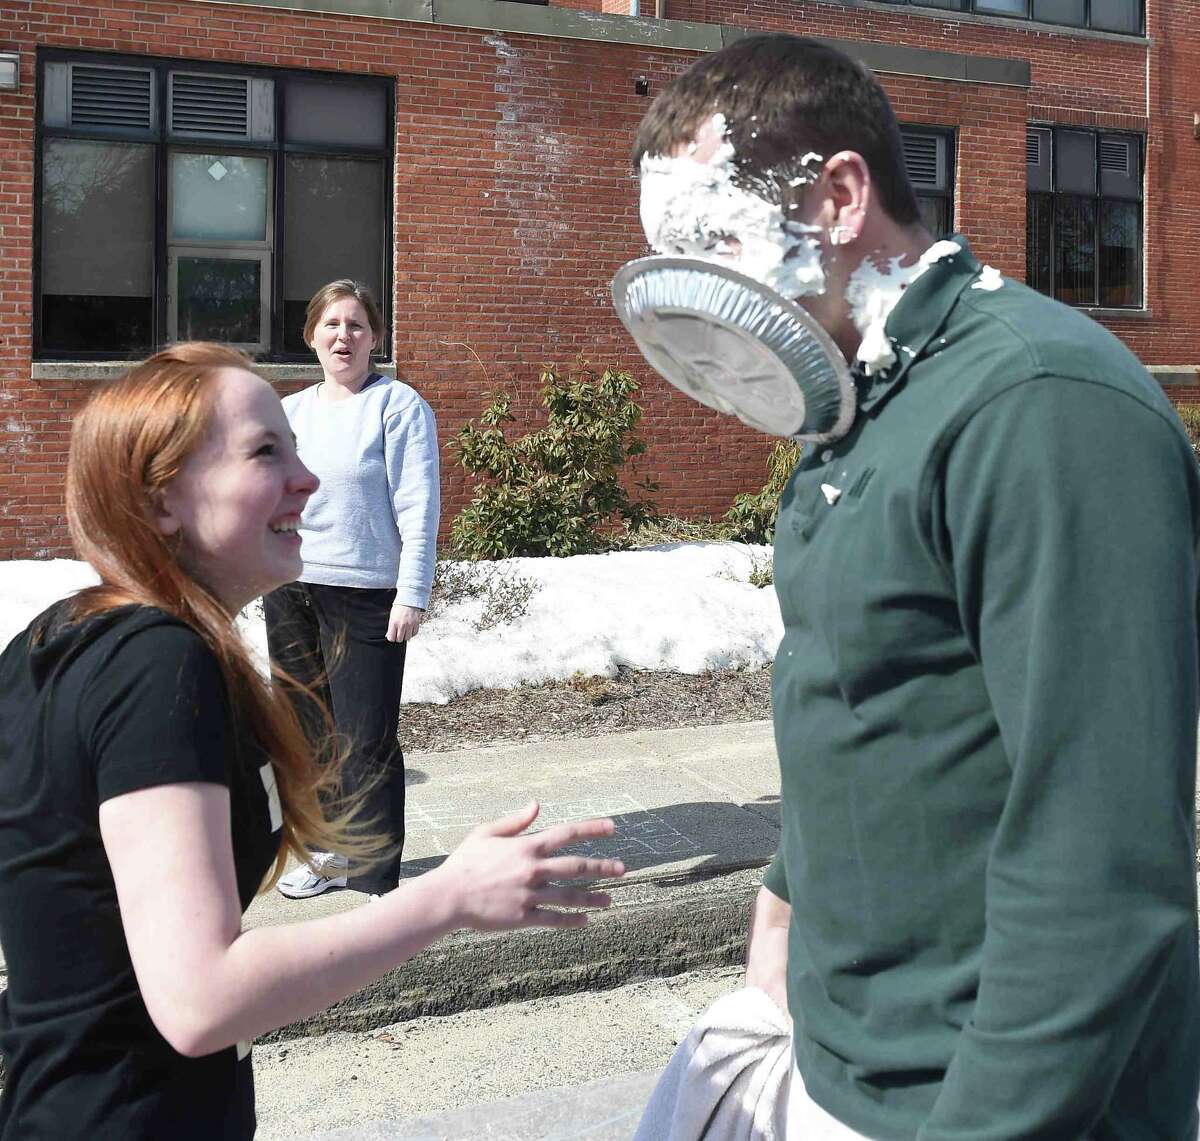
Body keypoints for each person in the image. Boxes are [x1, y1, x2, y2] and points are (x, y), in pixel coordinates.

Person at [630, 33, 1200, 1138]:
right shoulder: (863, 393)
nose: (698, 303)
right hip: (848, 1062)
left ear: (841, 197)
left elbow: (1105, 869)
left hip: (985, 1098)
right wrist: (785, 900)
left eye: (713, 244)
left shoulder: (1042, 406)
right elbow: (869, 682)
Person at [0, 343, 623, 1140]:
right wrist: (449, 897)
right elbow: (201, 1000)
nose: (308, 479)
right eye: (266, 451)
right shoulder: (157, 664)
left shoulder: (62, 635)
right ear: (162, 499)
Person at [263, 280, 438, 900]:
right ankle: (327, 849)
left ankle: (373, 881)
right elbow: (272, 500)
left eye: (357, 325)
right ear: (311, 335)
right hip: (292, 589)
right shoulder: (290, 412)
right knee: (308, 734)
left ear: (376, 337)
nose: (344, 336)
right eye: (332, 324)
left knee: (366, 740)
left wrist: (412, 592)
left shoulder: (398, 407)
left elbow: (418, 505)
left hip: (367, 595)